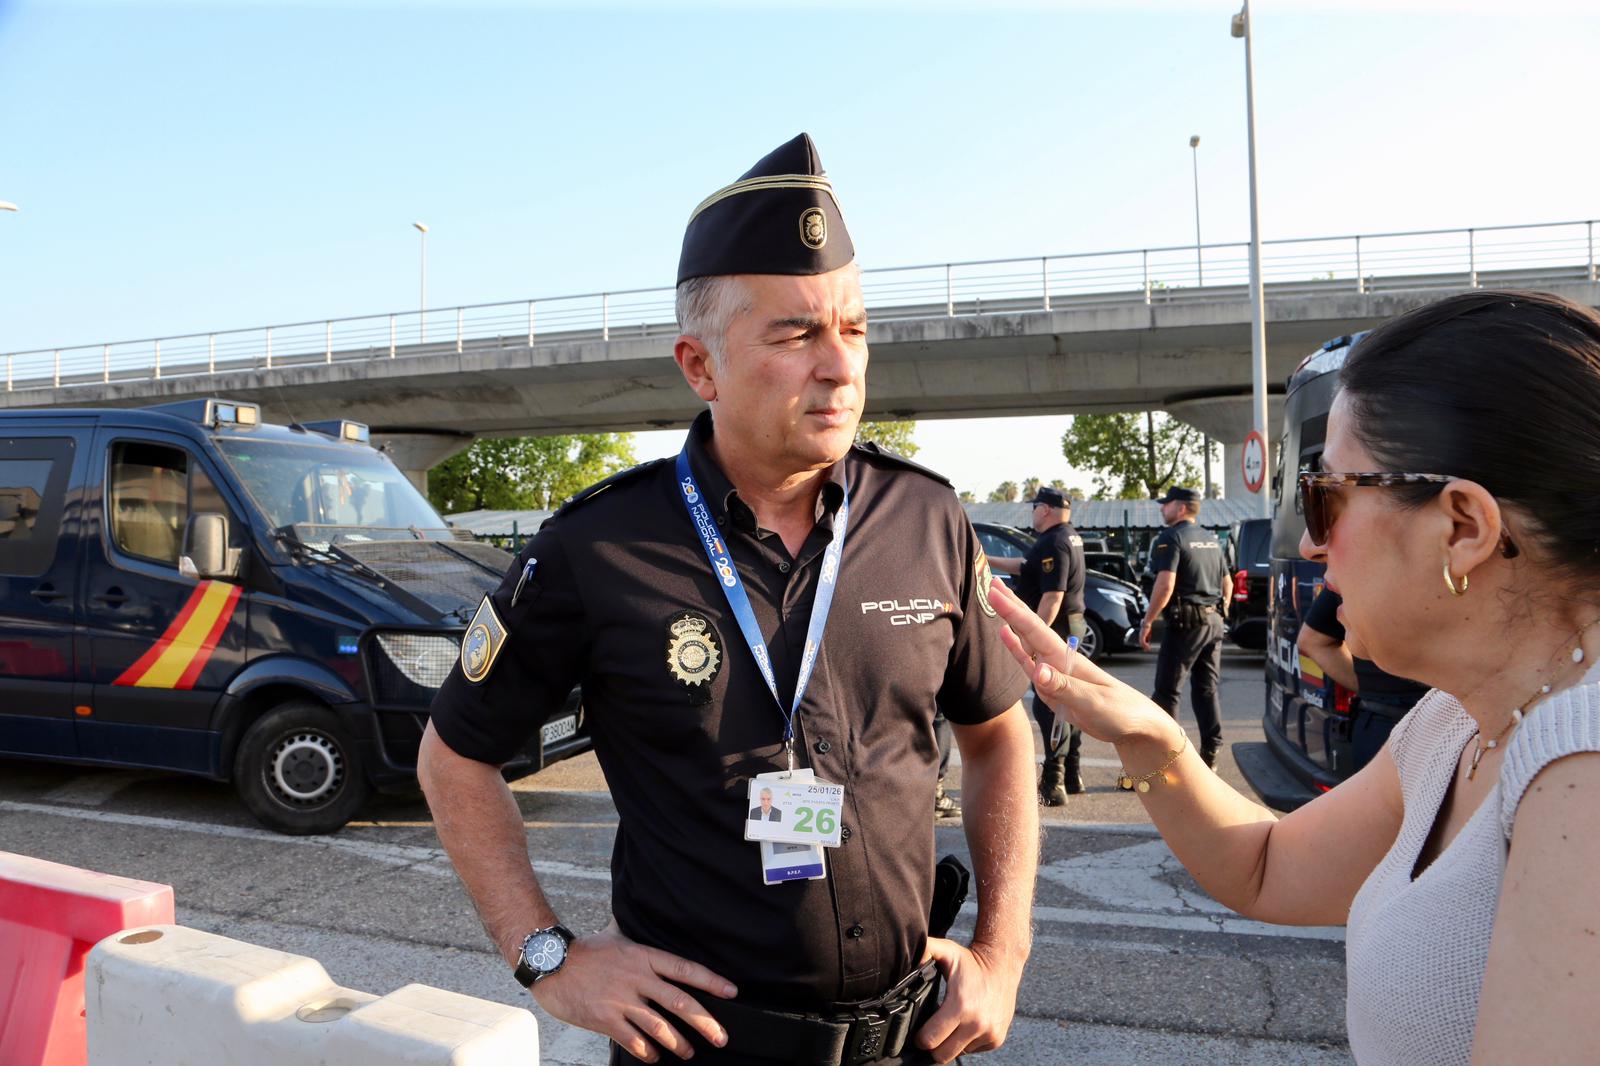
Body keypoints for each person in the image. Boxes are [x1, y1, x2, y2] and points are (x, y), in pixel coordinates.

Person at [418, 133, 1038, 1066]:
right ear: (700, 368)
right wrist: (547, 956)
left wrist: (1002, 950)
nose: (840, 366)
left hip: (914, 1044)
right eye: (795, 334)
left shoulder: (926, 517)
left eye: (854, 327)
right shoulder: (599, 548)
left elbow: (999, 735)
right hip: (701, 1051)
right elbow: (453, 759)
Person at [987, 289, 1600, 1063]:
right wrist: (1147, 736)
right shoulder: (1453, 723)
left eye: (1327, 499)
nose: (1312, 546)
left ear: (1463, 526)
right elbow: (1267, 869)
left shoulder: (1581, 766)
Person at [986, 488, 1086, 804]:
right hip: (1071, 625)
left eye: (1034, 508)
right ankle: (1072, 774)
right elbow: (1025, 566)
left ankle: (1054, 784)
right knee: (1068, 699)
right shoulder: (1067, 536)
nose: (1032, 514)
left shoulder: (1054, 542)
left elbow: (1052, 596)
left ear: (1044, 509)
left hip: (1056, 628)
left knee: (1051, 702)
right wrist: (984, 559)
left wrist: (1033, 637)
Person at [1137, 486, 1228, 769]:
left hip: (1187, 624)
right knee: (1206, 690)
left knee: (1166, 692)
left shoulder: (1171, 537)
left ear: (1181, 507)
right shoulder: (1211, 539)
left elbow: (1165, 584)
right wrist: (1219, 611)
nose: (1162, 508)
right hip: (1213, 623)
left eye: (1166, 504)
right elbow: (1228, 583)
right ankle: (1210, 755)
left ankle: (1166, 761)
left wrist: (1148, 620)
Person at [1299, 586, 1429, 771]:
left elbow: (1311, 640)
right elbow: (1312, 641)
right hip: (1397, 723)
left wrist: (1372, 690)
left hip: (1377, 722)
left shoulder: (1351, 567)